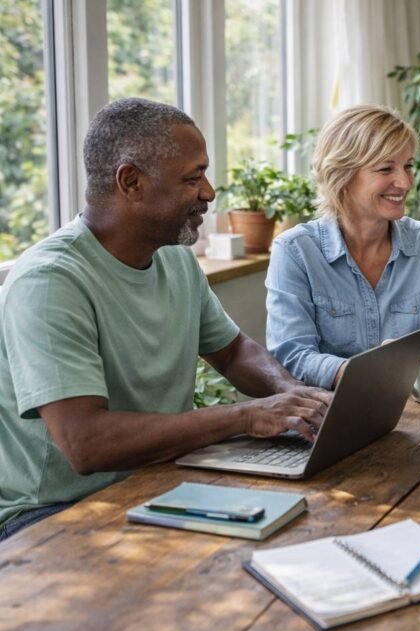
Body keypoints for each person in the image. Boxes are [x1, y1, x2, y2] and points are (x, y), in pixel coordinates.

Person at [0, 98, 332, 541]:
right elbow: (86, 443)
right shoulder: (49, 282)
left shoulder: (174, 257)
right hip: (50, 513)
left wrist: (291, 393)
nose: (209, 192)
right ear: (131, 182)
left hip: (155, 481)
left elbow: (233, 352)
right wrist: (246, 416)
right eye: (192, 178)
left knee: (308, 524)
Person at [266, 105, 420, 390]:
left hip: (416, 406)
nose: (405, 182)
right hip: (329, 410)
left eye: (408, 166)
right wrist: (374, 371)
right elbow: (293, 355)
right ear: (342, 175)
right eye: (386, 168)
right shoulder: (295, 251)